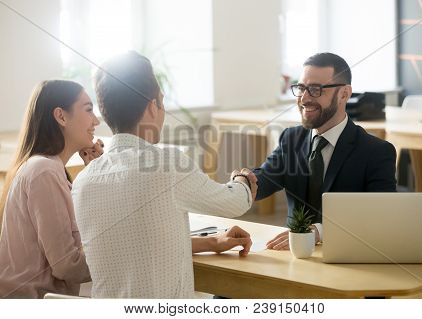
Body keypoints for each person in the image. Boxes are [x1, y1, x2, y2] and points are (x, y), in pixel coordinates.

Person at [71, 51, 257, 298]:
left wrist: (213, 241)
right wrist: (241, 180)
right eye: (161, 101)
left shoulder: (82, 182)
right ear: (152, 106)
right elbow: (235, 202)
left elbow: (137, 246)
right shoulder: (167, 164)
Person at [253, 52, 397, 250]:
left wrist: (318, 232)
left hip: (348, 255)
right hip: (293, 255)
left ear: (344, 94)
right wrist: (244, 181)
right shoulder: (291, 138)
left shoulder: (377, 152)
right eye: (301, 88)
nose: (304, 98)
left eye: (315, 89)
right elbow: (265, 178)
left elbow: (380, 215)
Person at [0, 80, 104, 298]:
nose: (96, 120)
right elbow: (67, 266)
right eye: (88, 109)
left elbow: (84, 236)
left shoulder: (49, 169)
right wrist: (122, 255)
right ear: (61, 116)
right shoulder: (44, 171)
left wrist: (93, 174)